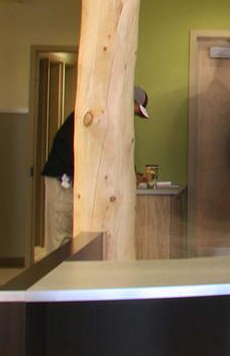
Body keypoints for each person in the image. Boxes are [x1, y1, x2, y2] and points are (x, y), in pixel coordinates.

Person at [42, 86, 150, 249]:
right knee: (60, 239)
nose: (134, 115)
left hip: (74, 182)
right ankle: (56, 274)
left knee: (74, 241)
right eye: (136, 111)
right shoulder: (100, 114)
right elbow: (108, 155)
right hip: (62, 181)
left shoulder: (111, 118)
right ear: (130, 101)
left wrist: (133, 175)